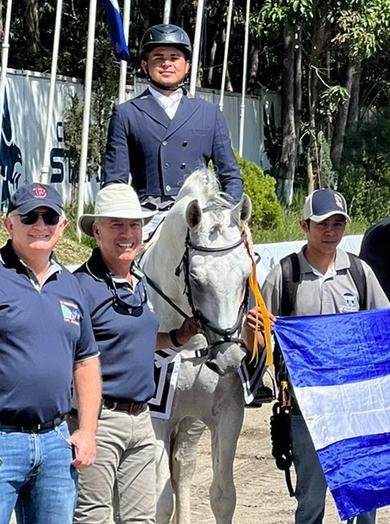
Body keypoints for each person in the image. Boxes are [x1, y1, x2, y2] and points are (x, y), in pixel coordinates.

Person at [244, 189, 390, 524]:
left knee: (365, 500)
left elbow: (386, 328)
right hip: (305, 411)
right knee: (310, 504)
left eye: (338, 224)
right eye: (323, 224)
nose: (331, 232)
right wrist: (253, 329)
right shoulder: (285, 275)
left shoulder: (359, 273)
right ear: (304, 225)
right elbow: (258, 344)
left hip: (356, 409)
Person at [71, 183, 200, 523]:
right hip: (100, 418)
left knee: (141, 518)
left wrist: (174, 337)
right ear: (97, 230)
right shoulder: (80, 287)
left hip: (142, 419)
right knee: (94, 517)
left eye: (135, 225)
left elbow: (131, 337)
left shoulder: (138, 281)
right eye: (117, 225)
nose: (128, 233)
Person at [0, 183, 101, 523]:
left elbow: (86, 361)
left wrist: (87, 431)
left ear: (63, 226)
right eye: (29, 215)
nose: (40, 224)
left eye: (49, 216)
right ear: (8, 223)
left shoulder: (71, 285)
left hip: (57, 443)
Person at [101, 23, 243, 237]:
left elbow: (230, 175)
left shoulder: (209, 113)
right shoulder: (126, 114)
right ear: (144, 64)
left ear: (186, 65)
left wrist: (223, 212)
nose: (166, 64)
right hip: (148, 216)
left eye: (174, 58)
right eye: (158, 58)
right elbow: (115, 181)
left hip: (200, 215)